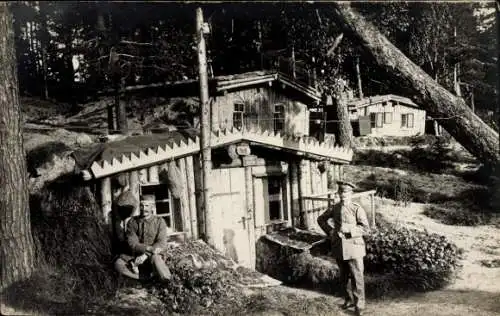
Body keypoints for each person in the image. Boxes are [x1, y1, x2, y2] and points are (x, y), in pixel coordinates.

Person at [317, 181, 370, 316]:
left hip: (354, 247)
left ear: (351, 193)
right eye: (340, 192)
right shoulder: (334, 208)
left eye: (345, 192)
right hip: (339, 246)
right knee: (344, 277)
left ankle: (360, 305)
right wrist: (330, 231)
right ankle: (348, 299)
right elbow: (321, 219)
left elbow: (365, 228)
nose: (343, 195)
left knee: (357, 277)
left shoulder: (357, 208)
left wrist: (350, 230)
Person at [114, 194, 172, 282]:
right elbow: (132, 243)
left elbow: (161, 242)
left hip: (153, 255)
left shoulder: (160, 222)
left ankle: (167, 280)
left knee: (156, 259)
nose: (144, 209)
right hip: (136, 256)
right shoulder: (132, 222)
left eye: (147, 206)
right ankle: (145, 278)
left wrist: (146, 255)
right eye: (141, 206)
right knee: (118, 264)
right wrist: (147, 249)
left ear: (152, 207)